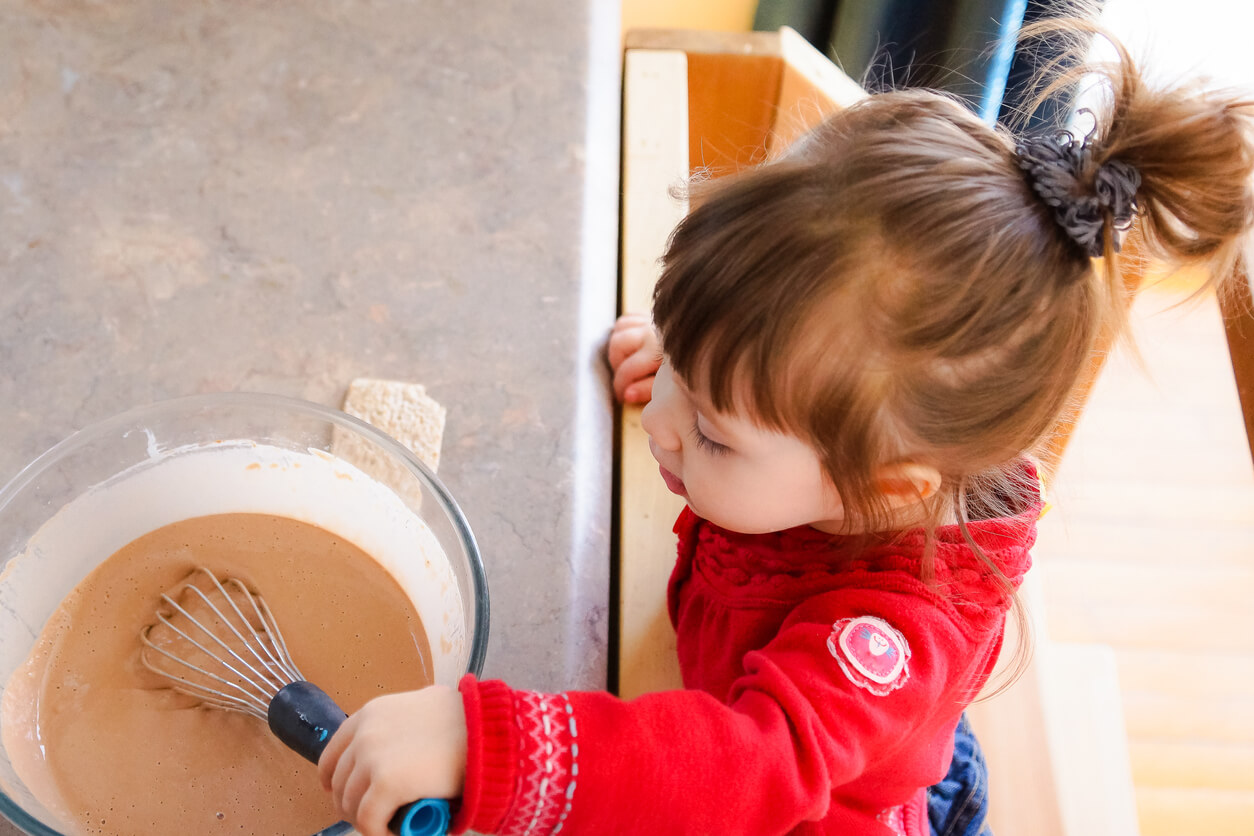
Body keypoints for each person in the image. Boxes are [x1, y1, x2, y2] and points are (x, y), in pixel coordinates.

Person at [317, 22, 1254, 836]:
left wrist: (487, 745)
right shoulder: (836, 437)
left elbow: (745, 767)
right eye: (680, 367)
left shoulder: (889, 635)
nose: (663, 425)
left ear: (885, 485)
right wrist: (704, 365)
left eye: (713, 432)